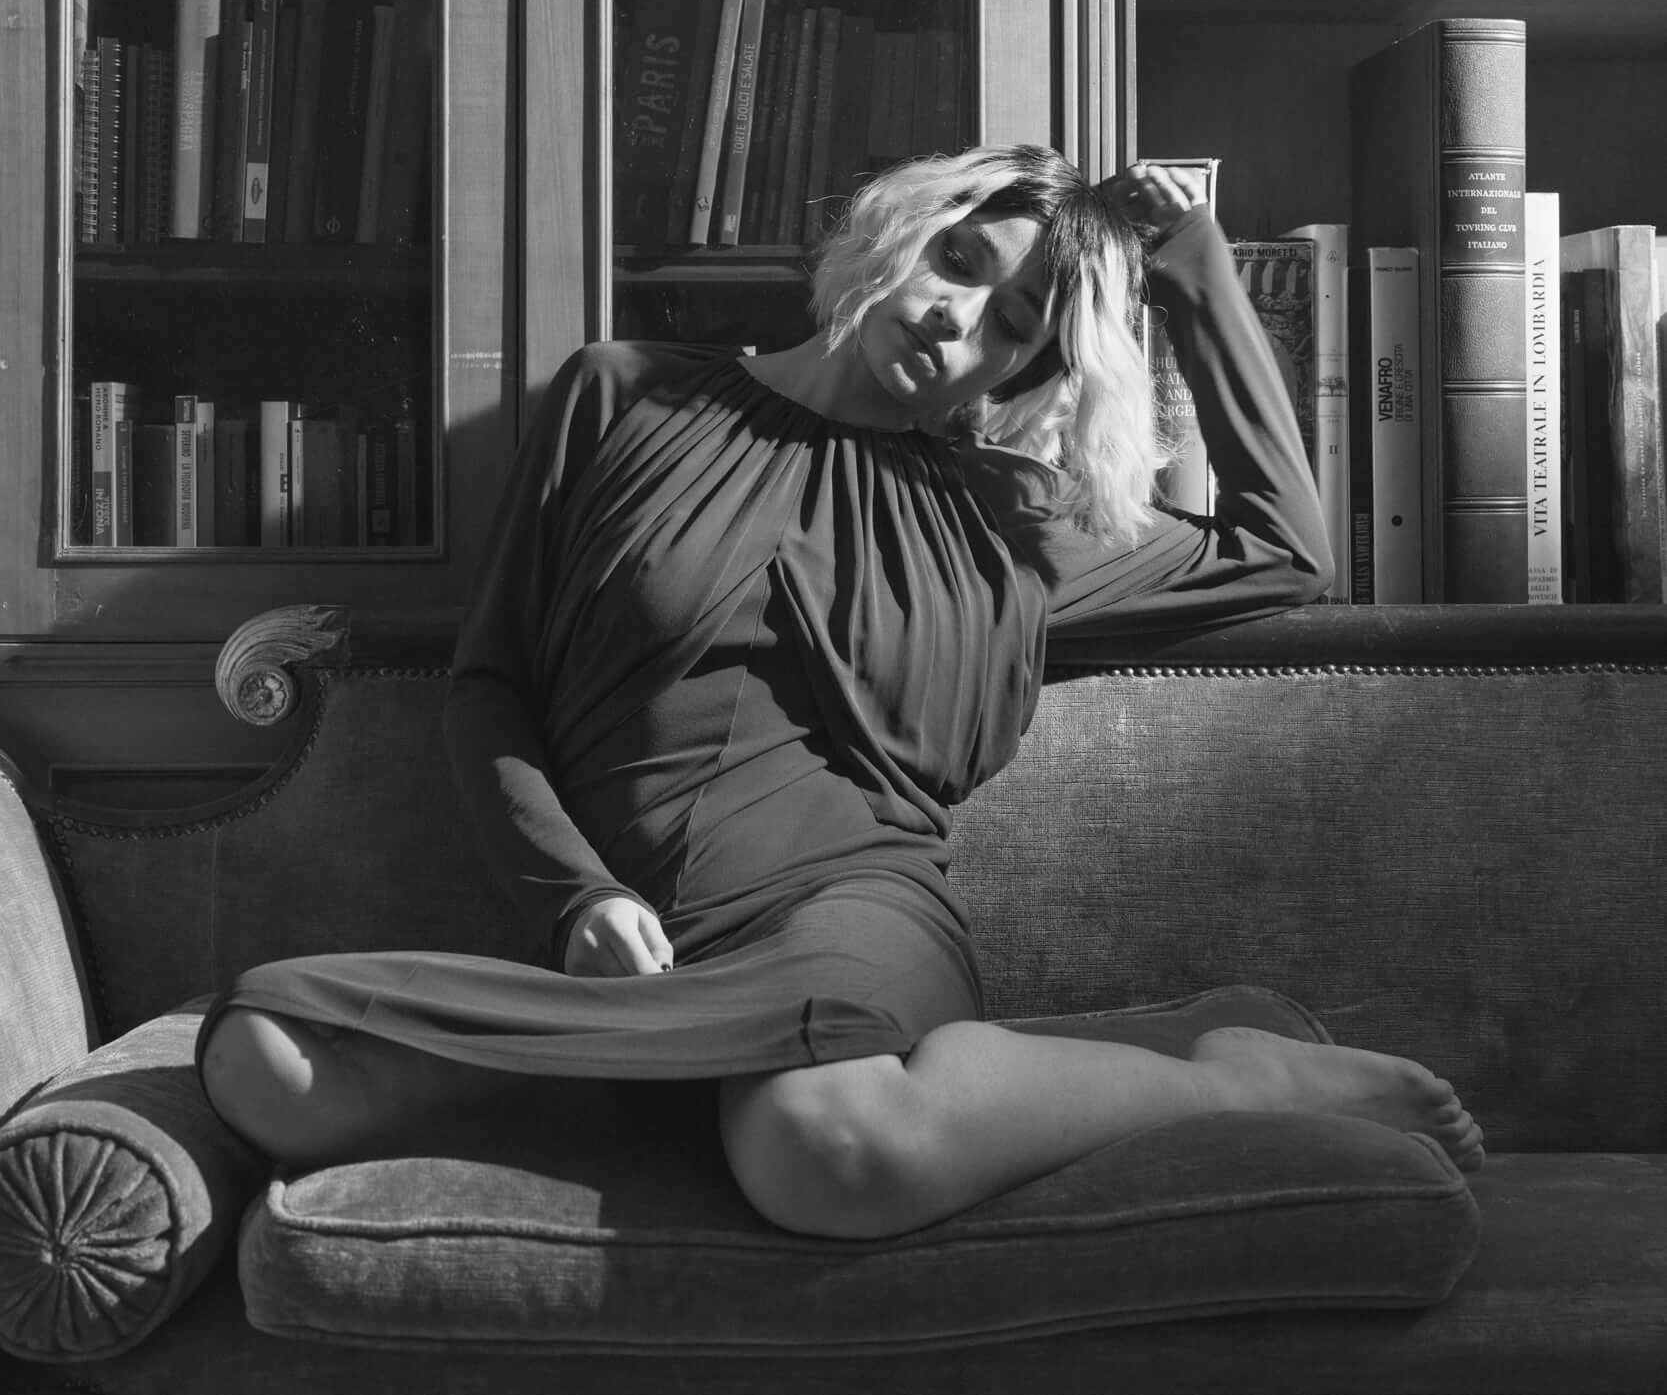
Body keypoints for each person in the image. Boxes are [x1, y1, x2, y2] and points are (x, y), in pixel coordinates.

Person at [199, 145, 1483, 1233]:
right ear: (900, 234)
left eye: (1012, 327)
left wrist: (1190, 264)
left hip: (845, 917)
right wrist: (574, 894)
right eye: (958, 264)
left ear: (1019, 376)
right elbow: (492, 689)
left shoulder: (1007, 521)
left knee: (825, 1147)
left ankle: (1238, 1078)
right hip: (630, 943)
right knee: (268, 1056)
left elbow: (1282, 552)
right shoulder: (623, 396)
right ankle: (747, 1073)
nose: (956, 319)